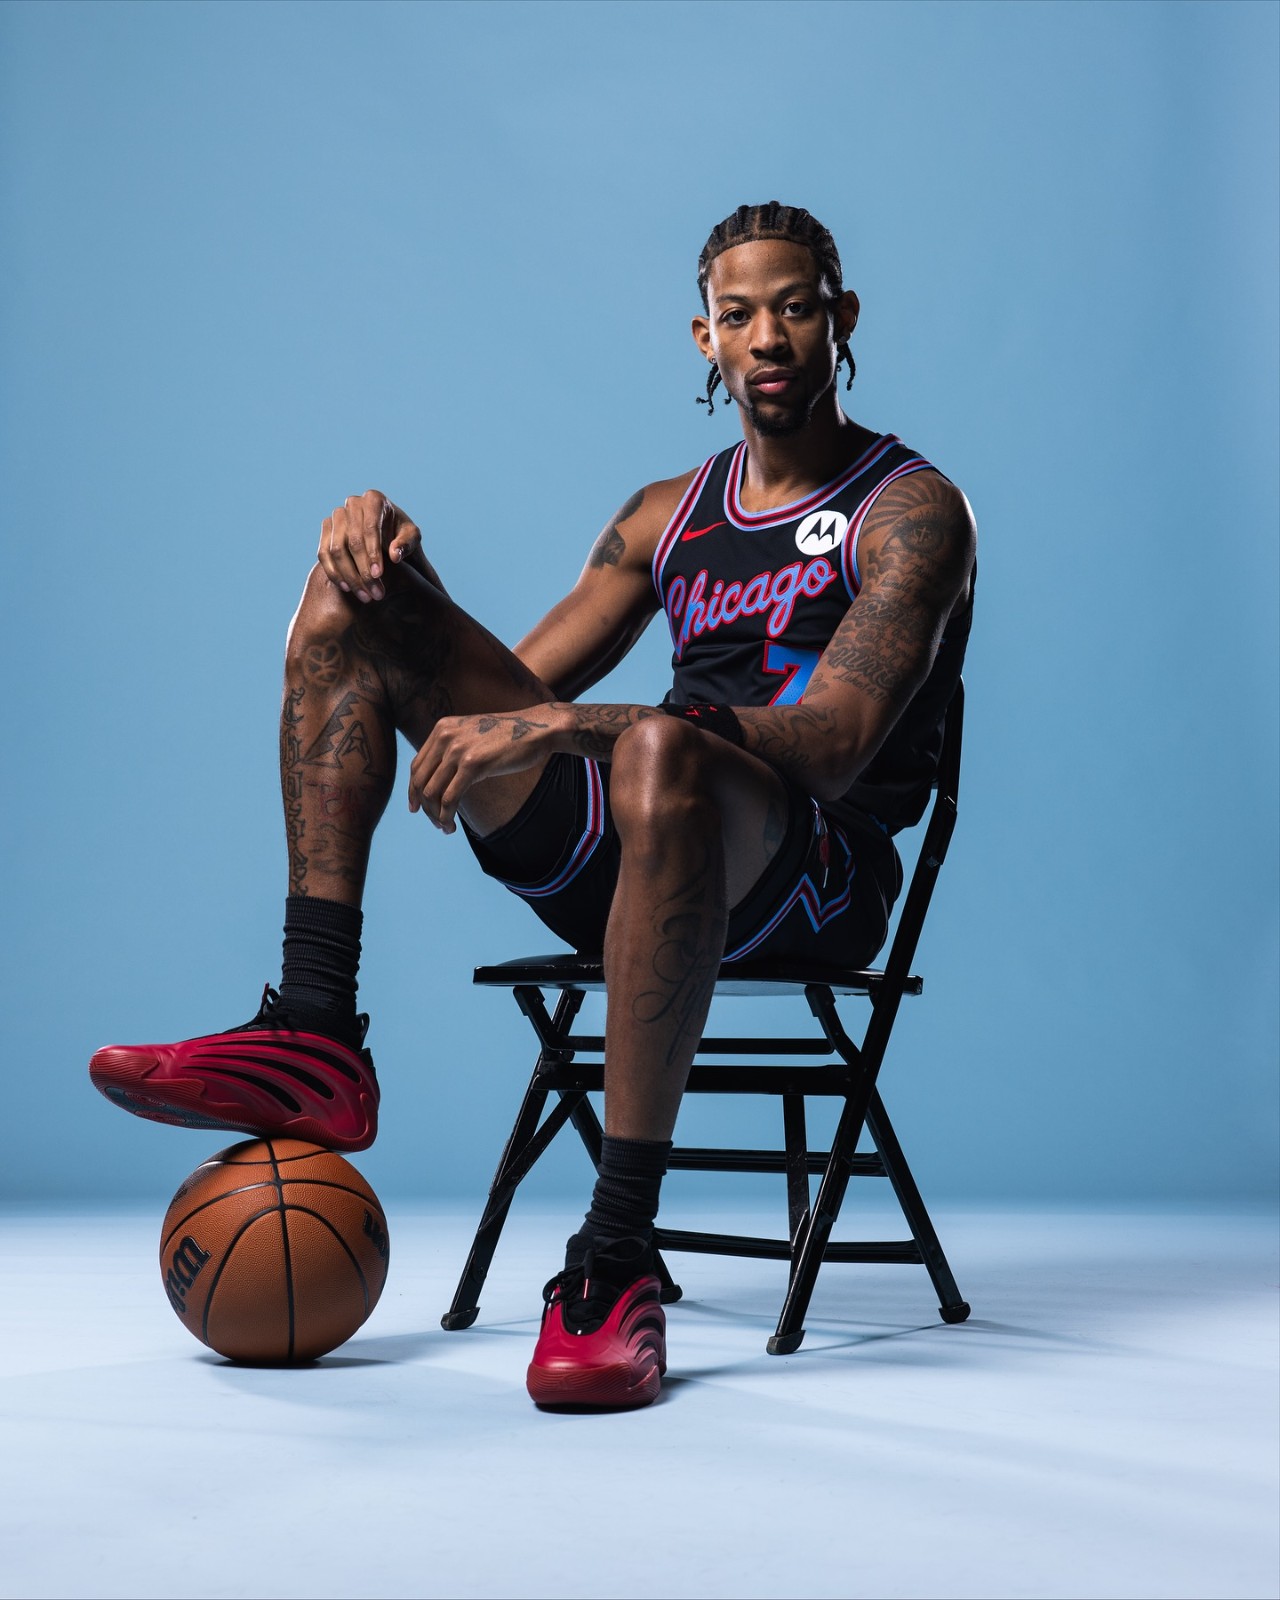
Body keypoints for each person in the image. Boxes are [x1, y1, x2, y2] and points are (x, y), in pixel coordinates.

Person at [90, 202, 977, 1409]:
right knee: (352, 599)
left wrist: (577, 727)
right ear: (704, 339)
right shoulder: (665, 513)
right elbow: (505, 689)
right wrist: (395, 573)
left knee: (657, 751)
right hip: (642, 852)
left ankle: (615, 1256)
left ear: (841, 318)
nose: (767, 336)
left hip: (809, 877)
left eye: (794, 308)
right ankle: (316, 1026)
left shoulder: (909, 507)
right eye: (737, 315)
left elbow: (831, 743)